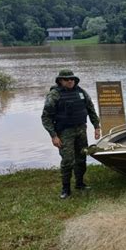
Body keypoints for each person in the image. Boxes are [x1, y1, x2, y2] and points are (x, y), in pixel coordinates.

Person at [42, 69, 101, 199]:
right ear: (60, 81)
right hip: (64, 132)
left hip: (81, 130)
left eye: (72, 79)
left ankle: (80, 183)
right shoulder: (54, 95)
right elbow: (46, 117)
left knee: (81, 157)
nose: (70, 81)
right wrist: (54, 136)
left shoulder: (81, 92)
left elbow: (91, 109)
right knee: (68, 160)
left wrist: (96, 126)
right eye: (67, 79)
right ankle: (66, 189)